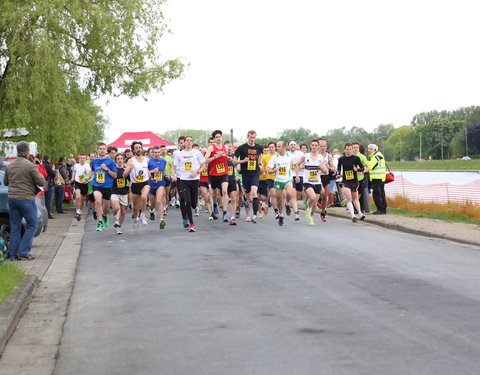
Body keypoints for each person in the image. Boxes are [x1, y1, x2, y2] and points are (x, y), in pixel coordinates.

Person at [4, 142, 45, 260]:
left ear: (17, 151)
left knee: (15, 227)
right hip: (26, 199)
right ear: (27, 151)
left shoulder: (10, 166)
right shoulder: (30, 165)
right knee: (32, 224)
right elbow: (41, 182)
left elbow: (6, 182)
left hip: (12, 199)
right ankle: (23, 251)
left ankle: (13, 255)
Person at [171, 136, 206, 232]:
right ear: (184, 143)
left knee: (193, 204)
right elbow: (173, 167)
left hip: (195, 179)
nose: (189, 142)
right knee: (187, 201)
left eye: (191, 140)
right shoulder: (179, 154)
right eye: (187, 140)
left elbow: (204, 165)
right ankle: (191, 223)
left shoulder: (197, 152)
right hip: (183, 179)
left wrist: (197, 172)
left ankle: (195, 204)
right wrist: (173, 175)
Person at [234, 130, 263, 223]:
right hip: (245, 175)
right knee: (247, 196)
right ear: (248, 137)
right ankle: (247, 215)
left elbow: (260, 156)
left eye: (254, 137)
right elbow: (234, 161)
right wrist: (243, 161)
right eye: (250, 137)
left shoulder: (258, 147)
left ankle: (254, 215)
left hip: (255, 174)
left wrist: (260, 165)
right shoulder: (242, 148)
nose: (252, 139)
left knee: (254, 192)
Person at [295, 140, 328, 225]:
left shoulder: (320, 157)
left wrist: (322, 168)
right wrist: (297, 175)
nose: (314, 147)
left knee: (315, 203)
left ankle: (310, 216)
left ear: (318, 147)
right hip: (307, 181)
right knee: (312, 198)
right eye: (312, 145)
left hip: (317, 182)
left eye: (315, 145)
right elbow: (297, 164)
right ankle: (308, 210)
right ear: (310, 146)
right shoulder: (306, 156)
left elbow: (325, 171)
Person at [87, 142, 118, 231]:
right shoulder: (94, 161)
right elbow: (92, 171)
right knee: (97, 200)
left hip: (107, 186)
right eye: (100, 148)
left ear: (106, 150)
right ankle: (100, 222)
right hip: (96, 185)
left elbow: (115, 175)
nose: (102, 150)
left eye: (103, 149)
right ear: (97, 150)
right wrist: (87, 177)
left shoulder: (111, 161)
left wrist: (107, 169)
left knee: (106, 207)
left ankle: (104, 216)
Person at [267, 141, 296, 226]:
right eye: (277, 146)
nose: (277, 148)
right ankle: (281, 215)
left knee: (289, 193)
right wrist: (273, 170)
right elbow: (268, 169)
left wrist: (297, 173)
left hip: (288, 179)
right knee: (279, 200)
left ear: (283, 147)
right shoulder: (275, 157)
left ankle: (287, 204)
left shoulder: (290, 156)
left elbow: (296, 165)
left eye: (279, 146)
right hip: (278, 180)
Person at [337, 143, 368, 222]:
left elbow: (362, 168)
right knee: (349, 198)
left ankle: (360, 213)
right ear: (345, 150)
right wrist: (338, 175)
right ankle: (353, 216)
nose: (349, 151)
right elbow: (338, 169)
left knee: (355, 199)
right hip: (345, 181)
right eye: (347, 149)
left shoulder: (356, 158)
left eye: (350, 149)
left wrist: (357, 170)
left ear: (352, 149)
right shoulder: (341, 159)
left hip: (354, 181)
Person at [124, 141, 150, 231]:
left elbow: (148, 171)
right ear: (133, 150)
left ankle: (142, 215)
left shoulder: (147, 159)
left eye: (140, 147)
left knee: (144, 196)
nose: (138, 149)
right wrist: (129, 169)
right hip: (135, 184)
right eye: (136, 148)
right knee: (135, 208)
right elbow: (124, 175)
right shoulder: (131, 160)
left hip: (145, 183)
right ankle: (135, 220)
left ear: (142, 149)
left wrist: (152, 176)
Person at [204, 130, 230, 222]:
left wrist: (228, 158)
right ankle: (214, 205)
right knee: (214, 194)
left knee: (224, 191)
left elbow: (225, 157)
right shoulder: (211, 148)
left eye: (220, 137)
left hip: (224, 172)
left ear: (221, 137)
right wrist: (215, 157)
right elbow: (205, 160)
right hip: (213, 174)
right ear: (214, 139)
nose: (218, 138)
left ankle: (225, 213)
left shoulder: (225, 147)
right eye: (217, 137)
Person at [148, 146, 167, 229]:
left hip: (160, 184)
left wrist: (166, 175)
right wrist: (152, 172)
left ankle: (161, 220)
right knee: (152, 204)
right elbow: (145, 172)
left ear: (160, 152)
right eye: (155, 152)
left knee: (159, 201)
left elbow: (164, 170)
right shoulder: (149, 161)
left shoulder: (163, 161)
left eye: (158, 152)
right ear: (152, 153)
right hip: (151, 184)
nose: (157, 154)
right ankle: (151, 211)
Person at [111, 154, 129, 234]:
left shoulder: (126, 169)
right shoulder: (113, 169)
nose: (120, 160)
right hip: (114, 192)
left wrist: (130, 186)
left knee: (123, 212)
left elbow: (131, 179)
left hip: (124, 193)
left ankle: (118, 227)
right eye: (118, 158)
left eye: (121, 158)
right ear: (116, 160)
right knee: (117, 208)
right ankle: (115, 215)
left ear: (123, 160)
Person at [368, 143, 387, 214]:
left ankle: (380, 209)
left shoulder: (375, 157)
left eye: (370, 149)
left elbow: (369, 166)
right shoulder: (380, 155)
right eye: (369, 149)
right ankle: (383, 209)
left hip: (376, 178)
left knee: (376, 194)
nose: (369, 150)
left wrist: (361, 169)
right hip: (381, 178)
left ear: (375, 149)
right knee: (381, 194)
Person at [71, 153, 92, 221]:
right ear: (79, 159)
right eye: (81, 158)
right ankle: (77, 212)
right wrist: (72, 178)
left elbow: (90, 175)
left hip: (85, 184)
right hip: (78, 182)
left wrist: (86, 173)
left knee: (82, 201)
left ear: (85, 159)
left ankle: (80, 212)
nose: (82, 159)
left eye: (83, 158)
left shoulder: (87, 166)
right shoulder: (76, 165)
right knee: (78, 197)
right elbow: (74, 172)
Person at [260, 141, 278, 218]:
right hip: (269, 177)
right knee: (273, 193)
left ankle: (268, 203)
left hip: (278, 177)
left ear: (275, 147)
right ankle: (276, 211)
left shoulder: (278, 156)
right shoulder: (265, 157)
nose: (271, 148)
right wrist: (264, 172)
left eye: (272, 147)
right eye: (270, 147)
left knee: (279, 196)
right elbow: (263, 166)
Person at [352, 141, 370, 214]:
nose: (356, 149)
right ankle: (354, 209)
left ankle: (361, 209)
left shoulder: (362, 157)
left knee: (360, 194)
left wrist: (363, 171)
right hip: (351, 179)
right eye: (354, 147)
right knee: (352, 195)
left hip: (360, 178)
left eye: (357, 147)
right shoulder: (349, 156)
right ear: (351, 148)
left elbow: (368, 167)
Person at [42, 155, 56, 219]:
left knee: (44, 200)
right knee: (48, 199)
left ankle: (44, 213)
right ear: (48, 159)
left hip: (43, 183)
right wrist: (53, 169)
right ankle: (48, 214)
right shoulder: (47, 165)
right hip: (49, 183)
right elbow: (53, 174)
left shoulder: (41, 165)